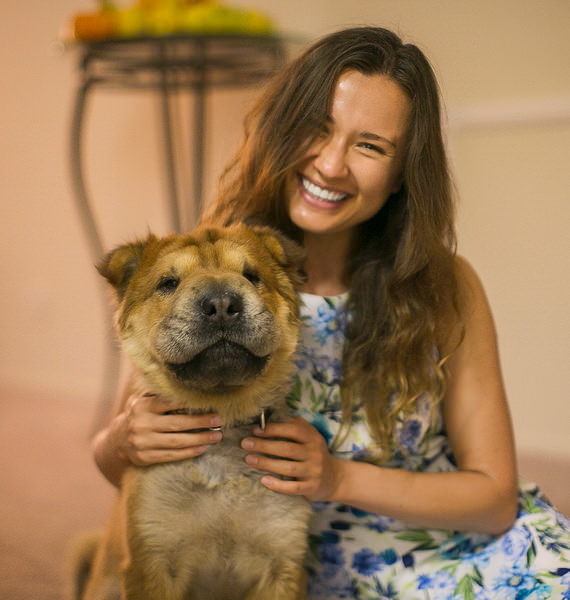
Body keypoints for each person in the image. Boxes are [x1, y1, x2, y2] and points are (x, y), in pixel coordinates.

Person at [92, 27, 570, 599]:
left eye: (371, 146)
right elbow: (123, 460)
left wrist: (339, 477)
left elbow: (494, 500)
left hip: (459, 542)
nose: (332, 163)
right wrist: (122, 440)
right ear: (282, 127)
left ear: (401, 174)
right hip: (324, 571)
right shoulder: (201, 270)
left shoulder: (444, 285)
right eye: (317, 129)